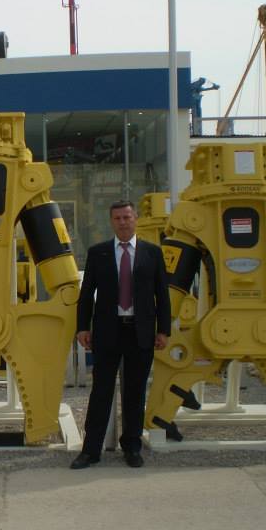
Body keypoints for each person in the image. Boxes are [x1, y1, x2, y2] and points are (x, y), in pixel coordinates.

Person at [70, 200, 170, 469]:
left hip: (141, 332)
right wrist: (82, 327)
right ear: (111, 221)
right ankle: (91, 451)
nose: (123, 222)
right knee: (101, 391)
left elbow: (162, 294)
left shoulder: (152, 253)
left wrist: (164, 330)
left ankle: (132, 448)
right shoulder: (98, 253)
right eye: (117, 218)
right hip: (107, 331)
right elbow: (86, 294)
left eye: (127, 217)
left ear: (135, 218)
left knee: (135, 393)